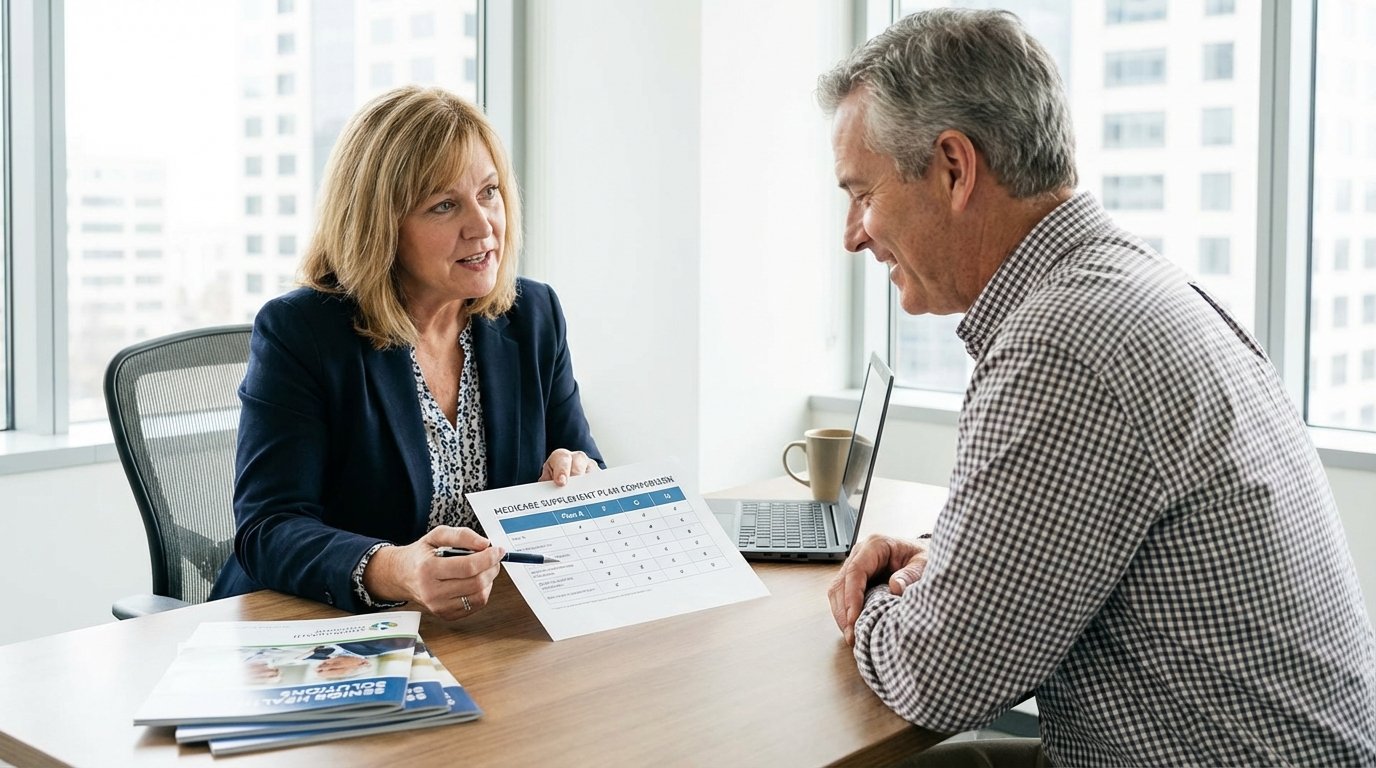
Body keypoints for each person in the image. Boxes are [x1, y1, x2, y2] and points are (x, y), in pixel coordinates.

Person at [818, 9, 1376, 766]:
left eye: (862, 193)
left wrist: (880, 602)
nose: (853, 232)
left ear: (954, 167)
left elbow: (937, 675)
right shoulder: (1127, 285)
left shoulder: (1062, 343)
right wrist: (948, 566)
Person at [210, 85, 603, 622]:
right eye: (445, 205)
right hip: (322, 626)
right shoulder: (301, 332)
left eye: (488, 192)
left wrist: (576, 476)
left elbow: (584, 462)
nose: (483, 225)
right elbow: (270, 527)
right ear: (381, 225)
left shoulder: (532, 315)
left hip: (480, 623)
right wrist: (396, 569)